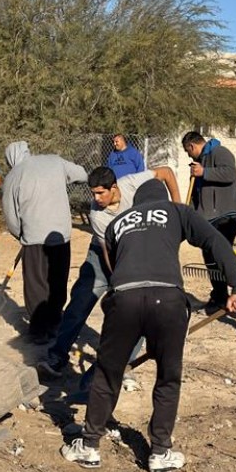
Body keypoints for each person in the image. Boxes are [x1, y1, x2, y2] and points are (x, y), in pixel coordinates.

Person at [60, 178, 236, 472]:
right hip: (168, 300)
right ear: (161, 198)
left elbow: (115, 271)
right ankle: (160, 452)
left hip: (125, 299)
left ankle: (89, 446)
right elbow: (214, 240)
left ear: (137, 203)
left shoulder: (116, 223)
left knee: (108, 373)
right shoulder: (176, 210)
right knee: (168, 376)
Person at [37, 165, 181, 390]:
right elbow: (109, 256)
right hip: (104, 256)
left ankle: (122, 366)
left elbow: (166, 173)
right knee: (80, 302)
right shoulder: (97, 215)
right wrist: (121, 283)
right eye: (92, 193)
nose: (96, 198)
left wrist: (177, 207)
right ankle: (57, 356)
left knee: (139, 309)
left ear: (114, 188)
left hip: (137, 250)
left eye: (100, 193)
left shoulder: (132, 182)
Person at [2, 141, 88, 344]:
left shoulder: (13, 176)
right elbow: (83, 174)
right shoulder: (55, 161)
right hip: (61, 235)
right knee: (57, 279)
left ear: (11, 158)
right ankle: (55, 322)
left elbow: (11, 216)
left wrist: (20, 234)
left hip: (34, 238)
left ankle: (40, 330)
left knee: (36, 283)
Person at [181, 131, 236, 314]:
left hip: (226, 217)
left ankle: (229, 295)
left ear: (192, 146)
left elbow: (229, 174)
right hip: (208, 219)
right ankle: (219, 296)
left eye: (188, 152)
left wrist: (204, 172)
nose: (189, 155)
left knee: (220, 257)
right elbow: (196, 193)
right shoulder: (199, 162)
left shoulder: (221, 152)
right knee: (210, 258)